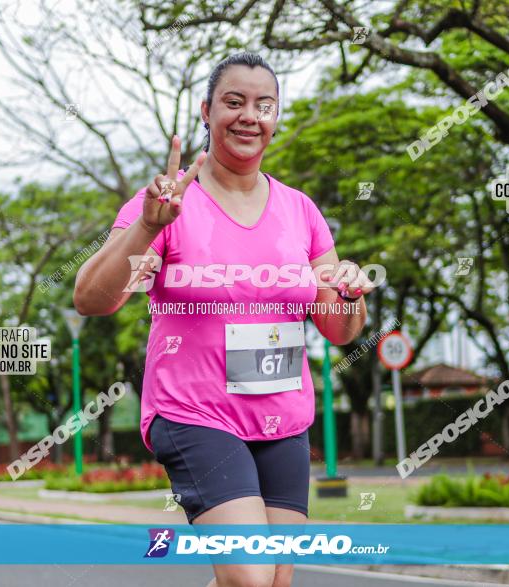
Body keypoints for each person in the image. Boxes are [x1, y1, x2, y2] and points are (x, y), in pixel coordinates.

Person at [74, 52, 374, 587]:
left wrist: (350, 294)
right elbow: (93, 299)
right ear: (207, 110)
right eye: (234, 102)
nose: (249, 116)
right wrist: (146, 228)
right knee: (250, 574)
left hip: (283, 415)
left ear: (276, 118)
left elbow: (338, 329)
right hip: (194, 413)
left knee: (275, 581)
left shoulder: (301, 211)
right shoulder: (168, 204)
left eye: (264, 105)